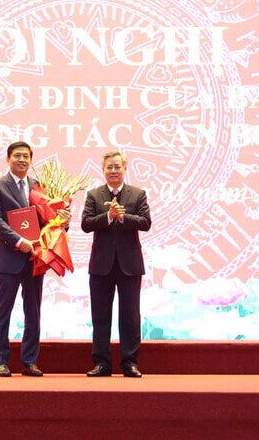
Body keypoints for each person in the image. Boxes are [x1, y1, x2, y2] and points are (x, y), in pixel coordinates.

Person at [81, 150, 151, 378]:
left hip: (129, 265)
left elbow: (146, 223)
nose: (113, 171)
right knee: (100, 316)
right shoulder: (93, 195)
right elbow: (86, 224)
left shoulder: (138, 194)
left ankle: (130, 363)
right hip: (101, 265)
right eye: (109, 167)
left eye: (117, 167)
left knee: (130, 315)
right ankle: (102, 363)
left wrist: (123, 218)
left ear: (125, 169)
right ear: (103, 169)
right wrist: (108, 217)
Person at [0, 141, 45, 377]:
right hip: (8, 259)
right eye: (17, 156)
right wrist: (20, 241)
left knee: (34, 312)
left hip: (34, 259)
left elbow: (47, 220)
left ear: (31, 160)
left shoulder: (39, 187)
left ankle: (29, 362)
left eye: (26, 156)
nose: (22, 160)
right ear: (8, 159)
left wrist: (62, 220)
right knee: (3, 311)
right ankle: (1, 361)